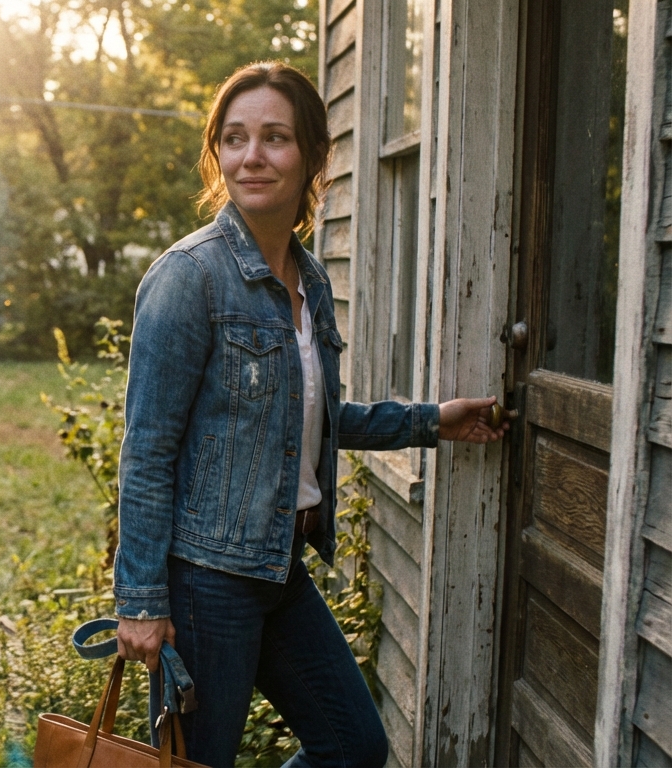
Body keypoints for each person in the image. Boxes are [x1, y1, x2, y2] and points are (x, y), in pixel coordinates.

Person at [111, 62, 509, 768]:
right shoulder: (188, 278)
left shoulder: (310, 280)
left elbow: (307, 420)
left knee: (353, 745)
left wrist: (429, 421)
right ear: (217, 153)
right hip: (207, 580)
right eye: (234, 138)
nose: (252, 156)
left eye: (274, 137)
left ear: (313, 156)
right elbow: (146, 451)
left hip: (280, 568)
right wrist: (141, 599)